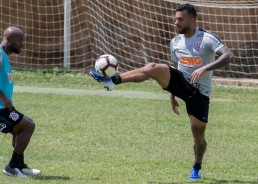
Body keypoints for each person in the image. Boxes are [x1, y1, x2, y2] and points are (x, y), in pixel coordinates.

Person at [90, 3, 234, 180]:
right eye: (175, 19)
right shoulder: (175, 42)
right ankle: (113, 80)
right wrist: (172, 94)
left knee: (198, 135)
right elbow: (175, 68)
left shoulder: (206, 38)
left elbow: (228, 55)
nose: (176, 22)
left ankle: (197, 165)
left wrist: (205, 69)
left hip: (200, 93)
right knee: (152, 67)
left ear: (192, 19)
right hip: (181, 83)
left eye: (180, 19)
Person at [0, 26, 41, 178]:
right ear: (9, 40)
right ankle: (12, 167)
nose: (22, 45)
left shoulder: (3, 56)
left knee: (19, 129)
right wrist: (3, 97)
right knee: (28, 125)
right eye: (20, 41)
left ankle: (20, 165)